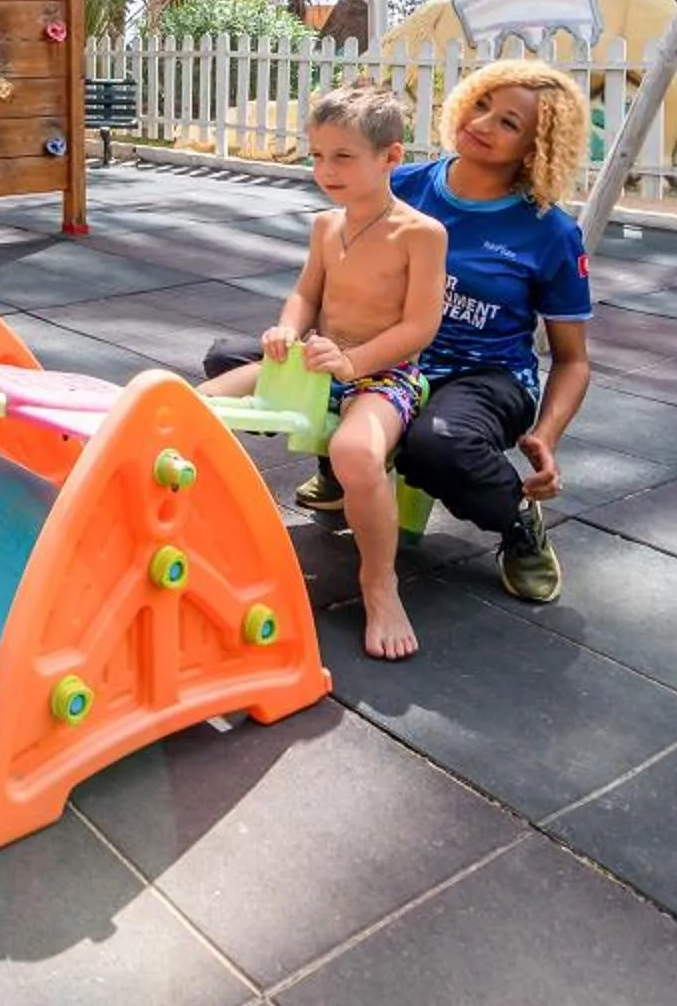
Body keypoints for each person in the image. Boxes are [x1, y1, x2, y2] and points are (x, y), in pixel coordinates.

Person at [206, 59, 594, 605]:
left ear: (536, 146)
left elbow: (573, 359)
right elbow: (329, 280)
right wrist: (295, 336)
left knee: (434, 444)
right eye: (482, 104)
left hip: (481, 373)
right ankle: (341, 470)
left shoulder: (549, 232)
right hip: (373, 357)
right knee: (230, 360)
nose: (482, 123)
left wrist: (546, 436)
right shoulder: (400, 185)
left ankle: (516, 522)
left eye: (508, 123)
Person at [200, 83, 445, 659]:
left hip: (385, 377)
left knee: (356, 454)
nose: (326, 170)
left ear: (391, 157)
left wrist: (354, 361)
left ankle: (378, 585)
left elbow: (420, 327)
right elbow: (305, 296)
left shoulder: (421, 234)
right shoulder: (325, 226)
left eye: (343, 156)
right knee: (187, 405)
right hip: (316, 364)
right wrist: (286, 329)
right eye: (316, 155)